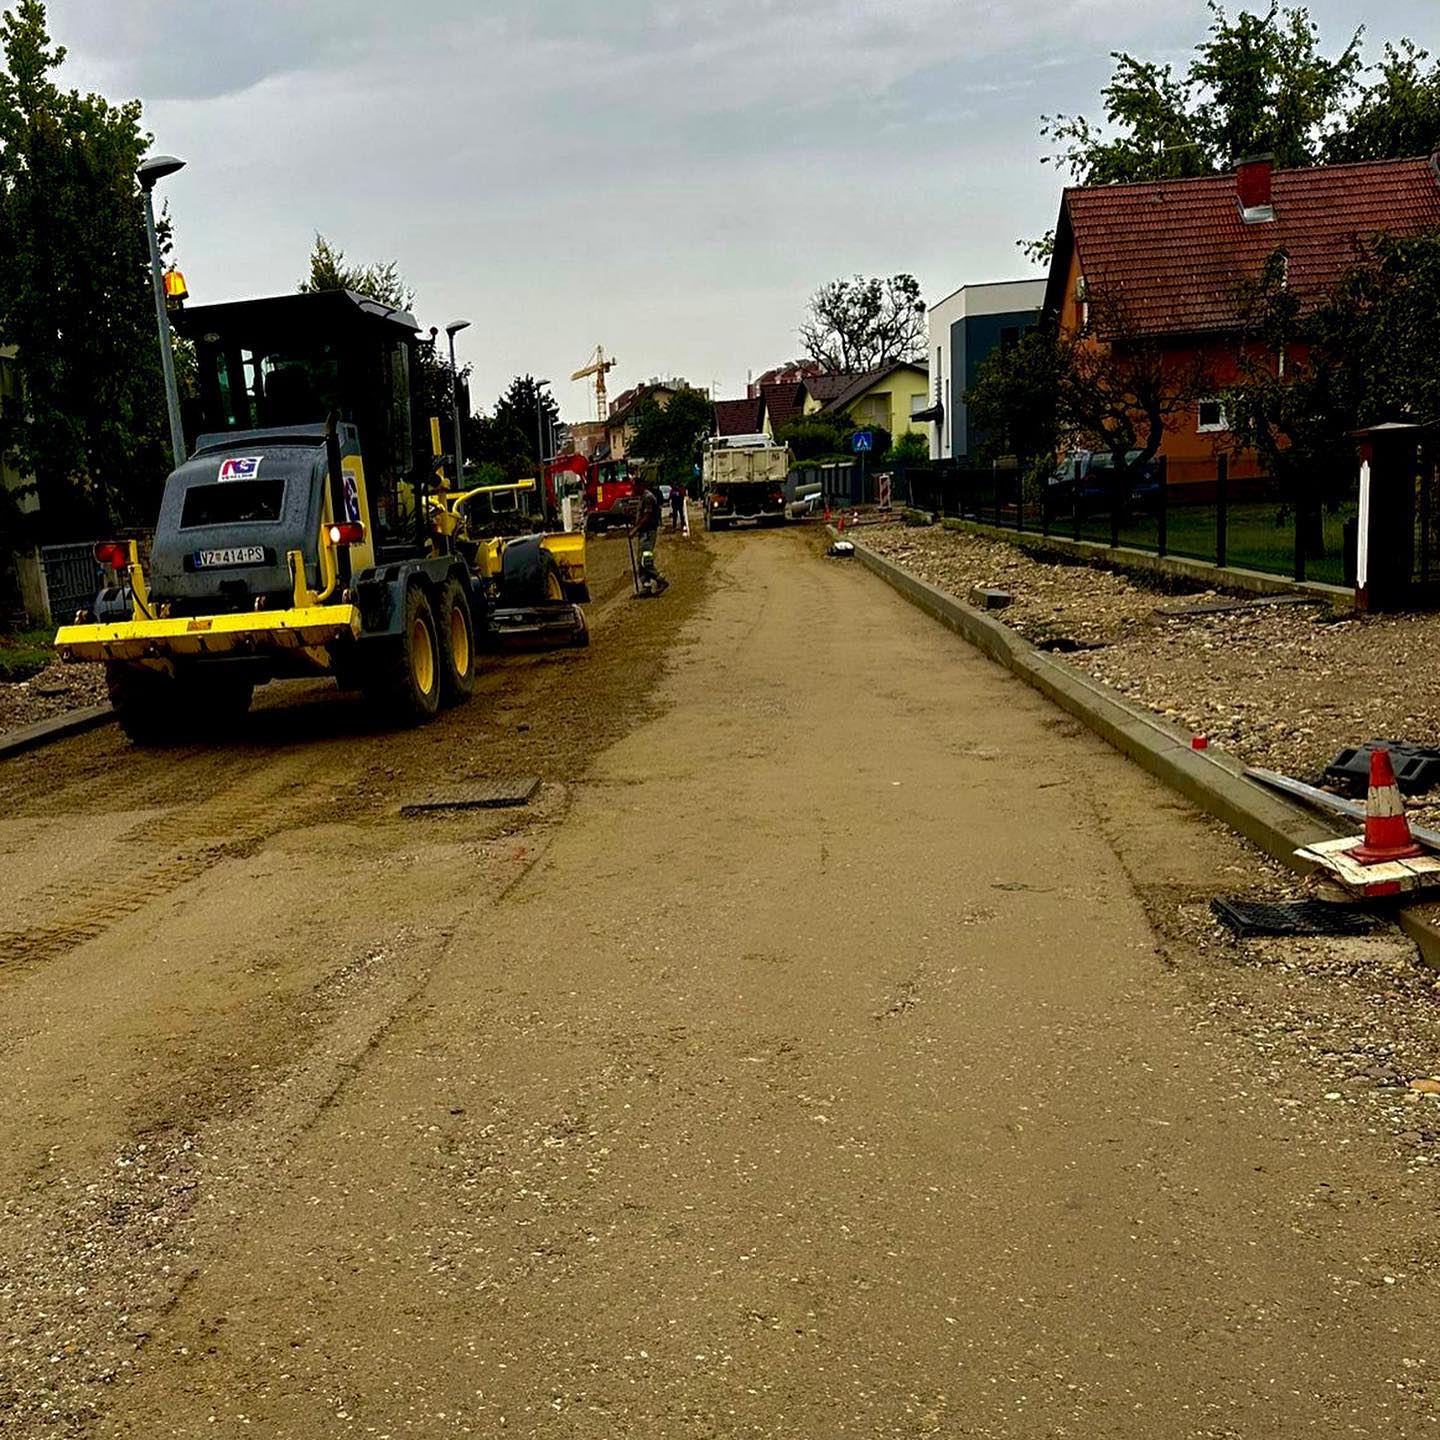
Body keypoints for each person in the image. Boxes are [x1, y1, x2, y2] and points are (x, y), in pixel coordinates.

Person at [629, 475, 667, 595]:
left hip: (648, 533)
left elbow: (646, 517)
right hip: (644, 533)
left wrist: (635, 530)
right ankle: (646, 586)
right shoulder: (642, 498)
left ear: (640, 486)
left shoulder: (648, 497)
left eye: (634, 486)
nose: (633, 489)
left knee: (645, 560)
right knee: (641, 559)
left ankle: (660, 579)